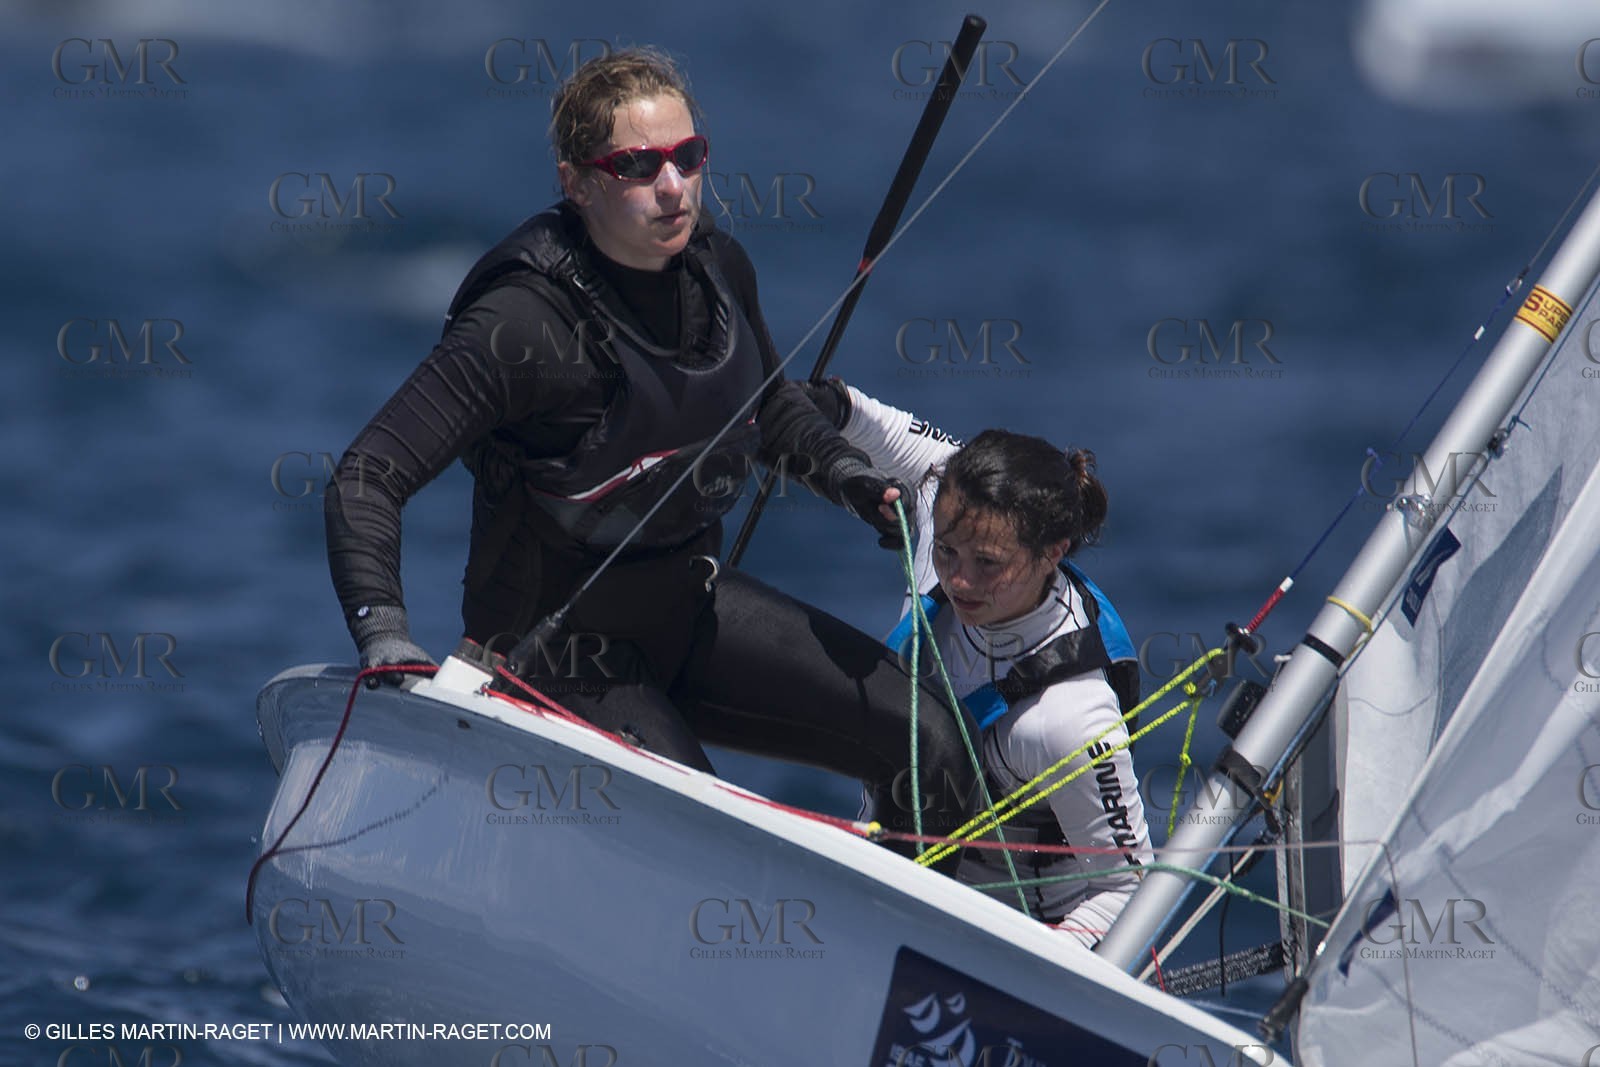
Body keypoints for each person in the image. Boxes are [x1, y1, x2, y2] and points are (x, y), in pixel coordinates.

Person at [321, 46, 980, 864]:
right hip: (554, 661)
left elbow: (767, 406)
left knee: (929, 738)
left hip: (691, 609)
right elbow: (368, 474)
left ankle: (931, 974)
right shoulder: (522, 326)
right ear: (578, 182)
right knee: (713, 846)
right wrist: (385, 633)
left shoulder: (716, 267)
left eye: (687, 157)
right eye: (637, 166)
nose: (673, 187)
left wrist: (846, 477)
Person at [804, 378, 1155, 947]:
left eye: (988, 563)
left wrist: (1042, 965)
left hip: (1005, 943)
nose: (959, 579)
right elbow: (905, 443)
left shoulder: (1069, 719)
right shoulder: (957, 509)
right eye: (945, 552)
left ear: (1053, 553)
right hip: (887, 885)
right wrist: (824, 404)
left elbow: (1129, 888)